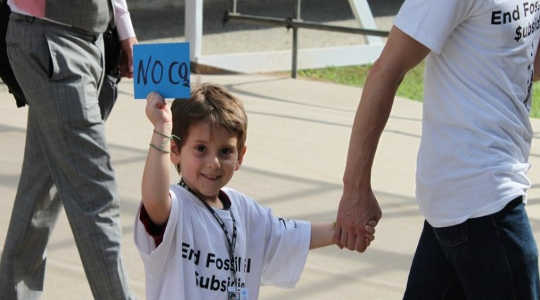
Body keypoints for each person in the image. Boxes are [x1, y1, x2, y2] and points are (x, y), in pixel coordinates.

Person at [335, 0, 540, 299]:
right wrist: (355, 190)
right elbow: (385, 72)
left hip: (463, 204)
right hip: (484, 194)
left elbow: (526, 62)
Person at [135, 84, 375, 300]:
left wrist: (341, 232)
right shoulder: (176, 208)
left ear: (240, 156)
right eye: (200, 149)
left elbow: (288, 236)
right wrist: (162, 128)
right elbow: (154, 200)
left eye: (225, 151)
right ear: (174, 150)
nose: (214, 162)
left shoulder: (244, 210)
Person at [0, 0, 137, 299]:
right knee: (95, 193)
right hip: (51, 43)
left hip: (90, 42)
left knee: (41, 189)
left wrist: (124, 29)